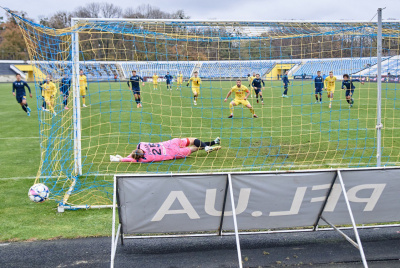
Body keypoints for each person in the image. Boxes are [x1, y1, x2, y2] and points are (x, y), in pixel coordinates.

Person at [110, 137, 221, 163]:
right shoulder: (142, 145)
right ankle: (211, 144)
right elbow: (134, 153)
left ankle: (209, 146)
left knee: (194, 148)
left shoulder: (145, 158)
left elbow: (133, 159)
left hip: (173, 153)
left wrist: (121, 159)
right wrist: (125, 156)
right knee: (193, 140)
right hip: (170, 143)